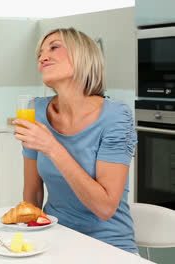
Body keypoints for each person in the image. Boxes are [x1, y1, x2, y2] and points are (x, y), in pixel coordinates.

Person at [13, 28, 138, 253]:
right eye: (40, 53)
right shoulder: (36, 110)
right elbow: (32, 192)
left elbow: (105, 208)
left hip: (109, 247)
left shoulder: (116, 116)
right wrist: (25, 242)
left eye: (54, 47)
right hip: (55, 239)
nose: (43, 57)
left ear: (83, 55)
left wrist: (51, 146)